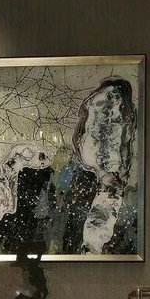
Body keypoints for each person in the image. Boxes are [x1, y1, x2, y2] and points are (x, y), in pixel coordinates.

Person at [49, 77, 139, 255]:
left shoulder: (111, 174)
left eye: (115, 119)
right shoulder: (84, 163)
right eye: (100, 108)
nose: (108, 113)